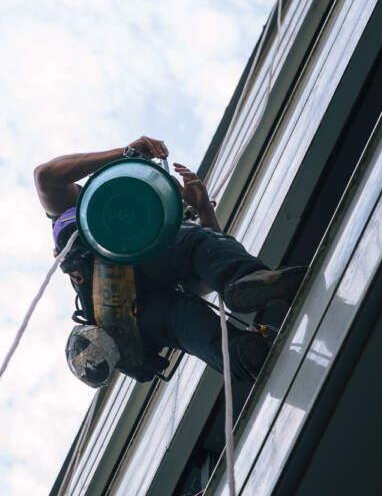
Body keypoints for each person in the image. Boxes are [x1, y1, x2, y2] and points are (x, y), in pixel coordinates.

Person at [34, 135, 306, 403]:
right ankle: (244, 318)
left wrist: (203, 210)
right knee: (194, 253)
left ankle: (242, 355)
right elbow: (45, 176)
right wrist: (125, 153)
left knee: (184, 321)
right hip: (117, 299)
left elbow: (204, 281)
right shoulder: (85, 207)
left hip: (132, 320)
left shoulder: (169, 235)